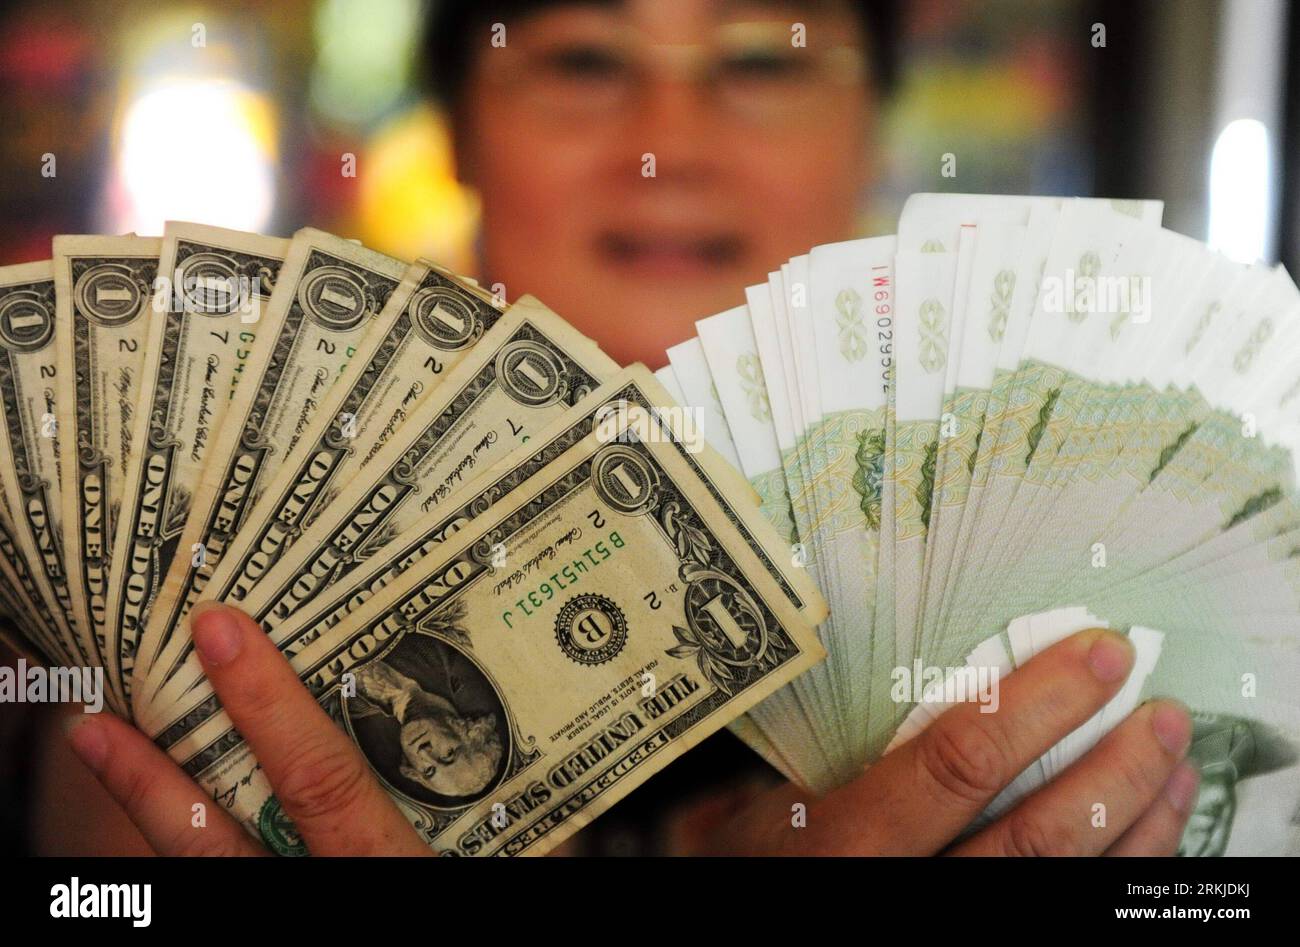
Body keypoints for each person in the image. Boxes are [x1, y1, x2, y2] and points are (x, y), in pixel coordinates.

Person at [38, 0, 1199, 856]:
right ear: (456, 132)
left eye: (761, 62)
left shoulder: (1061, 593)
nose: (671, 143)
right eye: (584, 60)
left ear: (871, 132)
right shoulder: (186, 584)